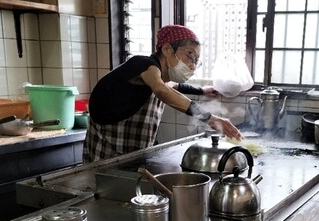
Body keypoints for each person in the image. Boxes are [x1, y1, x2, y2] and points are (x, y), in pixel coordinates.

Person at [83, 24, 242, 162]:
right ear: (167, 50)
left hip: (132, 156)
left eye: (196, 60)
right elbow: (161, 89)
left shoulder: (162, 79)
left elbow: (175, 86)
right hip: (106, 154)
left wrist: (202, 90)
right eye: (190, 55)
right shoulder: (143, 64)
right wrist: (210, 118)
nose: (193, 66)